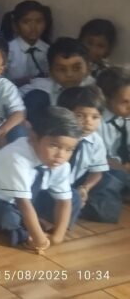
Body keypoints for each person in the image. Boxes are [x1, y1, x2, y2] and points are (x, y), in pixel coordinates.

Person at [0, 106, 81, 251]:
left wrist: (58, 236)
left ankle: (35, 225)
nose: (61, 155)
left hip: (29, 198)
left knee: (74, 197)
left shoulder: (59, 163)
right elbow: (23, 202)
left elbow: (64, 201)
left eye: (69, 149)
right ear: (33, 138)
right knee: (7, 217)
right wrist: (39, 239)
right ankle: (27, 234)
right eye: (54, 146)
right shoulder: (16, 158)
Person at [57, 86, 124, 223]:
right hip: (52, 185)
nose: (88, 122)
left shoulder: (96, 141)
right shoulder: (56, 137)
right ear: (65, 114)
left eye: (95, 117)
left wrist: (85, 188)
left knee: (107, 209)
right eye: (80, 116)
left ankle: (74, 205)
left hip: (76, 184)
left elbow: (97, 171)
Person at [20, 38, 94, 112]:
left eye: (76, 68)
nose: (69, 74)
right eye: (61, 69)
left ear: (88, 69)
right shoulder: (41, 88)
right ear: (50, 72)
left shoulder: (94, 88)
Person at [96, 66, 130, 202]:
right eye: (125, 102)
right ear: (106, 99)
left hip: (125, 168)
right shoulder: (95, 123)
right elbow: (97, 159)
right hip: (108, 170)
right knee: (113, 177)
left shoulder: (127, 118)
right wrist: (122, 168)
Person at [2, 0, 53, 85]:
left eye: (39, 22)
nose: (33, 27)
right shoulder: (7, 50)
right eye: (26, 22)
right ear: (15, 26)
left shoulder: (48, 50)